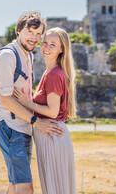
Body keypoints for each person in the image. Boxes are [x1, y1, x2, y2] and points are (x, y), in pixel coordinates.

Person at [0, 12, 63, 194]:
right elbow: (5, 99)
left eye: (39, 34)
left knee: (15, 186)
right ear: (18, 31)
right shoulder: (8, 55)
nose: (35, 38)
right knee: (26, 188)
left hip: (22, 127)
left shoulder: (28, 56)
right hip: (9, 126)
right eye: (30, 31)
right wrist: (37, 122)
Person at [13, 27, 76, 194]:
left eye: (53, 45)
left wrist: (26, 103)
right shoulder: (51, 72)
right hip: (50, 135)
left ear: (62, 49)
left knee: (55, 189)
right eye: (45, 43)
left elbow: (53, 111)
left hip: (52, 135)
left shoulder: (54, 74)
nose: (46, 48)